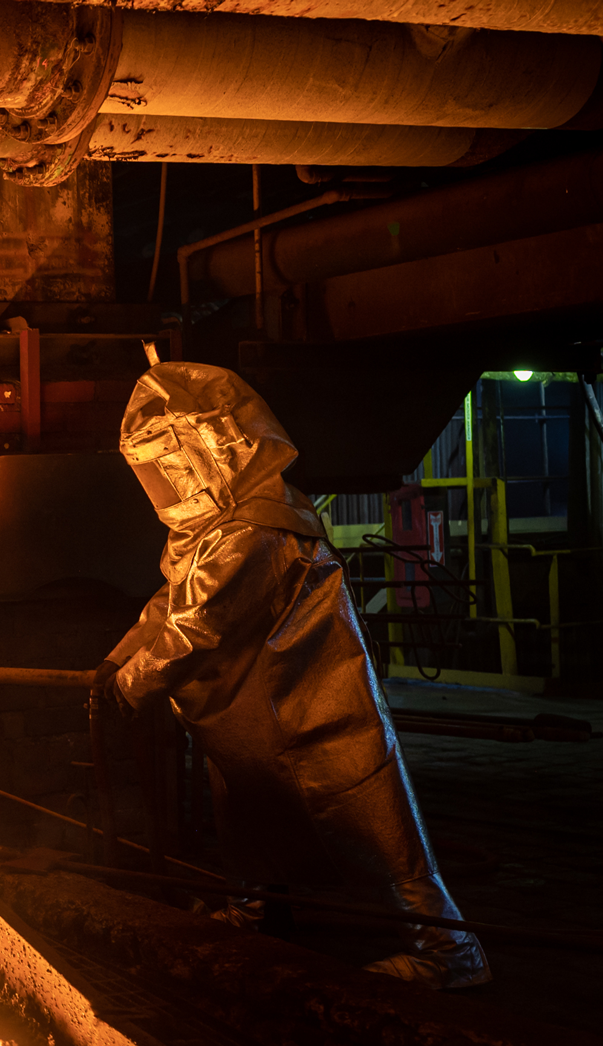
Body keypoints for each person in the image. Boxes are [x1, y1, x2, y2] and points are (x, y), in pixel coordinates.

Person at [96, 362, 489, 990]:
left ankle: (449, 953)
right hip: (257, 710)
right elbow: (172, 602)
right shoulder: (215, 531)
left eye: (166, 466)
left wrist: (130, 684)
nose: (162, 486)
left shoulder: (253, 530)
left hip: (315, 707)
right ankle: (256, 913)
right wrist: (117, 660)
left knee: (372, 819)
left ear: (209, 453)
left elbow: (199, 624)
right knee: (250, 809)